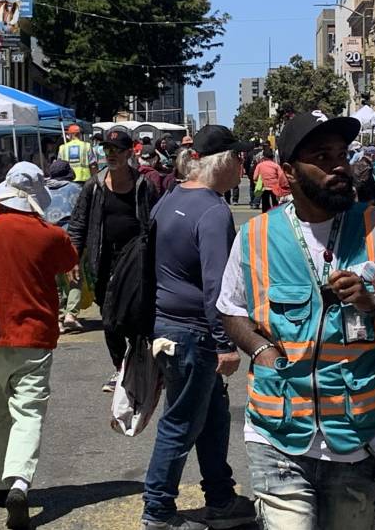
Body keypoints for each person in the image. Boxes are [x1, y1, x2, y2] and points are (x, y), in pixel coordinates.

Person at [218, 111, 375, 529]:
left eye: (341, 153)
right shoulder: (256, 236)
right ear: (288, 172)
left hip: (360, 437)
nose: (339, 165)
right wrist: (259, 349)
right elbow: (231, 308)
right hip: (276, 433)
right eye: (322, 155)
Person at [141, 125, 256, 530]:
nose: (243, 168)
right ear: (222, 162)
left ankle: (220, 496)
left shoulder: (171, 198)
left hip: (168, 324)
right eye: (239, 159)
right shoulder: (212, 210)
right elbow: (217, 285)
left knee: (212, 414)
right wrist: (226, 342)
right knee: (182, 420)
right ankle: (157, 510)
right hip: (194, 333)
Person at [0, 162, 78, 530]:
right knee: (28, 414)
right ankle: (20, 483)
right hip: (34, 336)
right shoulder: (49, 234)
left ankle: (1, 483)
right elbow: (69, 263)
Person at [68, 129, 158, 392]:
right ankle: (120, 366)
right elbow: (78, 225)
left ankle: (131, 366)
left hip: (135, 260)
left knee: (133, 314)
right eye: (107, 150)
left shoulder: (143, 186)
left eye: (117, 150)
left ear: (130, 152)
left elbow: (156, 222)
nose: (111, 155)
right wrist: (73, 258)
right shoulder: (94, 186)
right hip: (102, 259)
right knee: (109, 318)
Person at [44, 160, 85, 333]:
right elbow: (83, 213)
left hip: (46, 237)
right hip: (69, 237)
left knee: (53, 281)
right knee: (74, 276)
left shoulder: (42, 190)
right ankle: (71, 314)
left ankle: (57, 318)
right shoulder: (75, 189)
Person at [252, 146, 290, 213]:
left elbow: (255, 177)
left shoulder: (260, 165)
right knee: (275, 202)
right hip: (275, 187)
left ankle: (266, 214)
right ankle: (275, 214)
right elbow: (281, 176)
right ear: (272, 157)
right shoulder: (276, 165)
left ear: (264, 157)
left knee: (265, 203)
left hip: (264, 187)